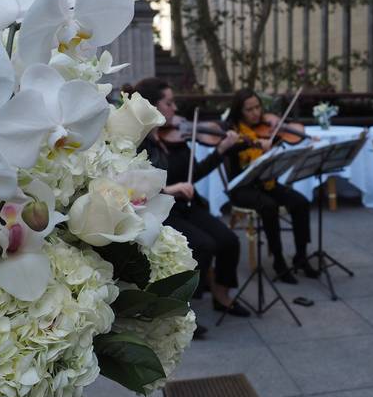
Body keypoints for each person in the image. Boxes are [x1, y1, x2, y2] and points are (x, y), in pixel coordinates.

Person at [127, 78, 251, 321]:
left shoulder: (173, 140)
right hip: (161, 210)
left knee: (229, 240)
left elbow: (194, 174)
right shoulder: (139, 141)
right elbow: (135, 186)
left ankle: (221, 295)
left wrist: (221, 151)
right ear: (152, 106)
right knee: (204, 246)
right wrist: (171, 189)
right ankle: (180, 311)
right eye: (169, 103)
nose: (175, 109)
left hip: (183, 205)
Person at [225, 89, 319, 284]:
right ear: (239, 111)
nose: (255, 113)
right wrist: (254, 143)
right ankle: (278, 260)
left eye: (258, 107)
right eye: (249, 109)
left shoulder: (267, 127)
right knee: (269, 206)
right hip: (242, 188)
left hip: (267, 182)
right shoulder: (232, 131)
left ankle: (301, 256)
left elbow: (286, 135)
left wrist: (277, 124)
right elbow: (230, 148)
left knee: (301, 202)